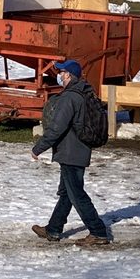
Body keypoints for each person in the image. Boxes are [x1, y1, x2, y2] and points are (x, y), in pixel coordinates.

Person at [30, 59, 111, 245]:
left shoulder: (69, 97)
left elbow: (57, 128)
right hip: (80, 150)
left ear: (68, 75)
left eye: (61, 72)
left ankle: (98, 232)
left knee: (77, 194)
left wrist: (38, 148)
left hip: (70, 152)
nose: (59, 75)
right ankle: (53, 229)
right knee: (67, 193)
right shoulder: (84, 92)